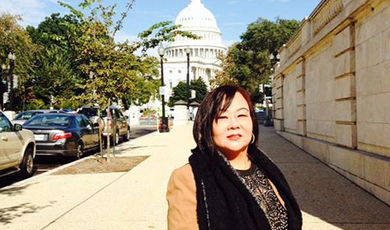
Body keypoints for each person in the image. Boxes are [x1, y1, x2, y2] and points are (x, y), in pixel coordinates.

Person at [167, 85, 302, 230]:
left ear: (252, 121)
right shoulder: (188, 178)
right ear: (207, 126)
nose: (234, 124)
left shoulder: (266, 167)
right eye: (222, 117)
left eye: (242, 115)